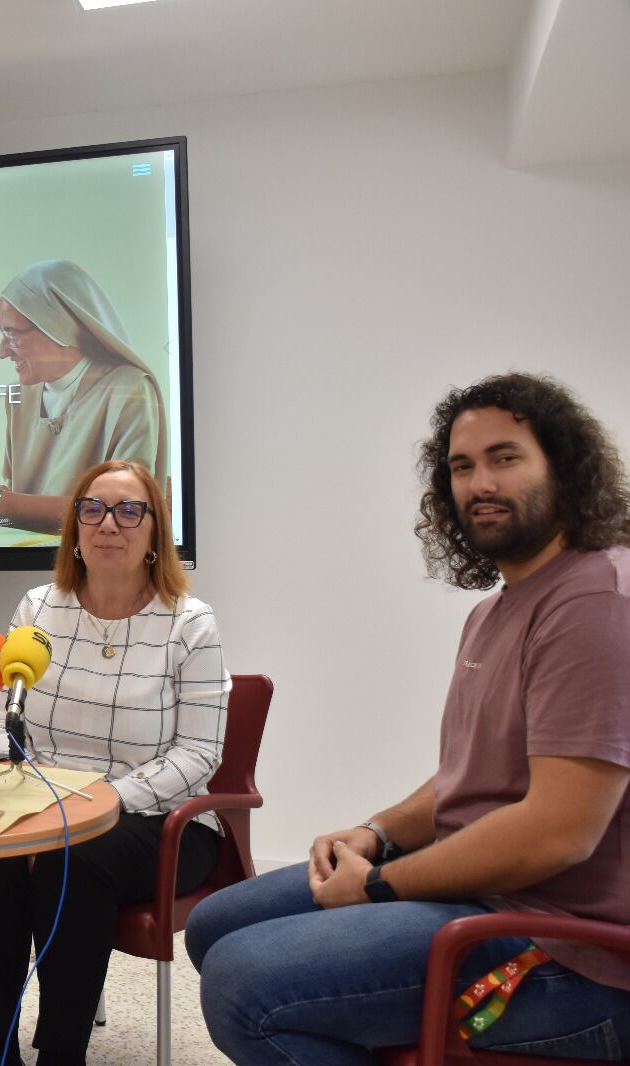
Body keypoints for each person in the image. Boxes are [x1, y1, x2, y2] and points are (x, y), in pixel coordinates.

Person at [188, 372, 630, 1062]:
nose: (480, 482)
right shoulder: (496, 608)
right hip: (489, 899)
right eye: (462, 466)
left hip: (567, 955)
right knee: (215, 924)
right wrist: (377, 834)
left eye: (505, 458)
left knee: (244, 987)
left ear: (564, 468)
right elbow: (468, 776)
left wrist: (382, 885)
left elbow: (560, 831)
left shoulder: (595, 601)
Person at [0, 459, 228, 1066]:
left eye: (130, 510)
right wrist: (30, 784)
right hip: (43, 803)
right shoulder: (37, 609)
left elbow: (201, 752)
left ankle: (61, 1052)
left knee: (73, 857)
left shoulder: (190, 624)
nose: (110, 524)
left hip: (157, 818)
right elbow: (0, 716)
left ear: (155, 530)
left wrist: (104, 802)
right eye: (93, 509)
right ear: (74, 527)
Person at [0, 260, 167, 531]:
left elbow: (124, 505)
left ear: (56, 327)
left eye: (11, 334)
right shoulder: (19, 395)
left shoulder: (129, 389)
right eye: (2, 333)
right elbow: (20, 495)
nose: (2, 351)